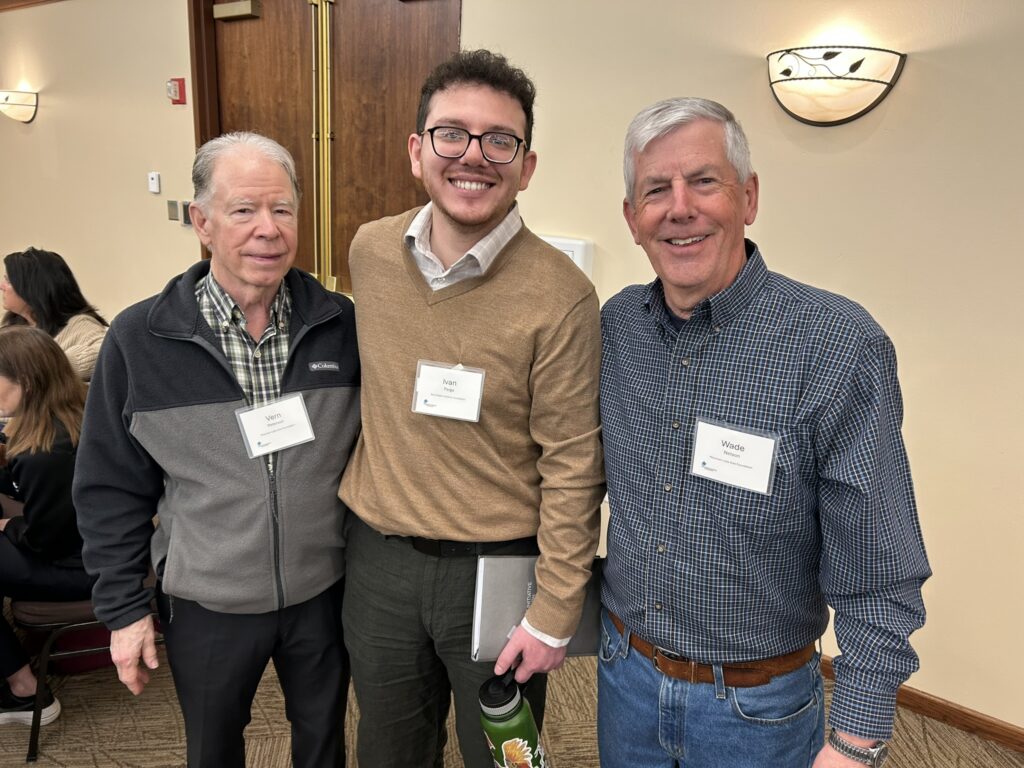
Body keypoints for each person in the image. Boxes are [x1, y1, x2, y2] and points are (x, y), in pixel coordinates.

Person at [598, 97, 931, 768]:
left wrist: (855, 742)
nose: (680, 207)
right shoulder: (617, 329)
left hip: (757, 713)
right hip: (622, 681)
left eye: (705, 181)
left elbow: (878, 571)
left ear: (748, 197)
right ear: (633, 220)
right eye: (656, 190)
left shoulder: (837, 346)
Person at [339, 49, 604, 767]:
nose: (474, 157)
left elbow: (575, 465)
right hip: (380, 565)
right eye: (452, 134)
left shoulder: (562, 297)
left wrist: (555, 610)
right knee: (388, 751)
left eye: (500, 140)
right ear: (417, 152)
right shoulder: (370, 251)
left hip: (497, 575)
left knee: (505, 756)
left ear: (526, 165)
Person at [73, 132, 361, 768]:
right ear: (201, 223)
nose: (268, 230)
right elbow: (109, 488)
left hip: (322, 590)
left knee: (324, 746)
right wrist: (123, 609)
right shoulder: (139, 340)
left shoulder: (340, 324)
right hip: (206, 602)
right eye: (243, 211)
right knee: (213, 750)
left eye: (282, 210)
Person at [0, 326, 94, 727]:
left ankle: (23, 690)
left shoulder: (47, 450)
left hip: (82, 566)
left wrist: (10, 525)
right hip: (87, 547)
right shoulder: (71, 415)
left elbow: (45, 540)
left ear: (26, 383)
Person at [1, 248, 108, 381]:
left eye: (8, 281)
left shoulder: (81, 325)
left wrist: (45, 366)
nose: (1, 286)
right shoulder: (17, 325)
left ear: (33, 289)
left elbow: (105, 355)